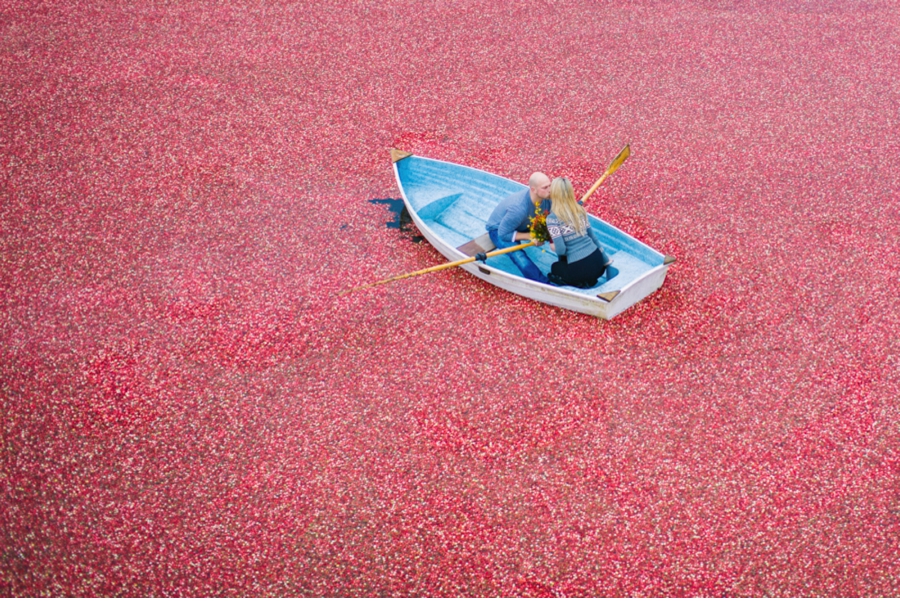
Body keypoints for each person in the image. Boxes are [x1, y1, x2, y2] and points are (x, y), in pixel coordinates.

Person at [545, 177, 617, 288]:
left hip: (580, 269)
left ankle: (581, 281)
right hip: (598, 263)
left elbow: (561, 250)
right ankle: (589, 279)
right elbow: (593, 237)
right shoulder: (579, 210)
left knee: (555, 268)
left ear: (553, 194)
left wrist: (553, 247)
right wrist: (605, 260)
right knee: (574, 266)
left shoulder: (552, 219)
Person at [484, 172, 552, 283]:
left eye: (550, 185)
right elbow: (503, 234)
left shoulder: (547, 197)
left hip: (525, 223)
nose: (550, 190)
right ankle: (542, 283)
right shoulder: (519, 208)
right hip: (499, 229)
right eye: (545, 187)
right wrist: (532, 236)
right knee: (518, 255)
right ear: (533, 189)